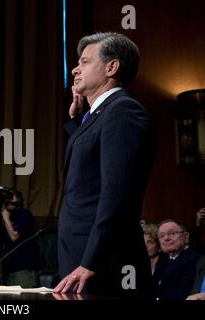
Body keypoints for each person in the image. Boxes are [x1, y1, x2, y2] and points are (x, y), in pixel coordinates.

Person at [54, 32, 156, 297]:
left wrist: (91, 261)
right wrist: (78, 119)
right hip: (84, 257)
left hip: (103, 264)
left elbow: (117, 195)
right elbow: (89, 168)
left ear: (112, 67)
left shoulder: (123, 111)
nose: (75, 69)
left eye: (85, 61)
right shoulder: (100, 114)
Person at [153, 219, 202, 300]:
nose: (166, 238)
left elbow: (181, 295)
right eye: (161, 236)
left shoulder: (195, 260)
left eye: (172, 233)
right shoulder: (163, 260)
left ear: (186, 236)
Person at [0, 189, 39, 288]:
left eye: (11, 197)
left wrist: (5, 217)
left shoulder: (24, 214)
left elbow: (14, 236)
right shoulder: (7, 216)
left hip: (23, 269)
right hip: (9, 269)